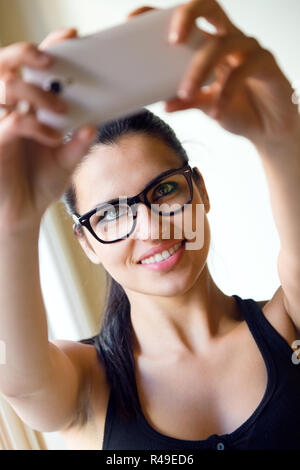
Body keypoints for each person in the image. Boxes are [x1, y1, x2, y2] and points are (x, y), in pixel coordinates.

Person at [0, 0, 299, 451]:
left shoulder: (288, 323)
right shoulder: (84, 383)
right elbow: (21, 382)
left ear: (199, 190)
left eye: (163, 191)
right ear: (86, 242)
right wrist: (13, 225)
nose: (151, 228)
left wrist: (281, 137)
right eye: (111, 213)